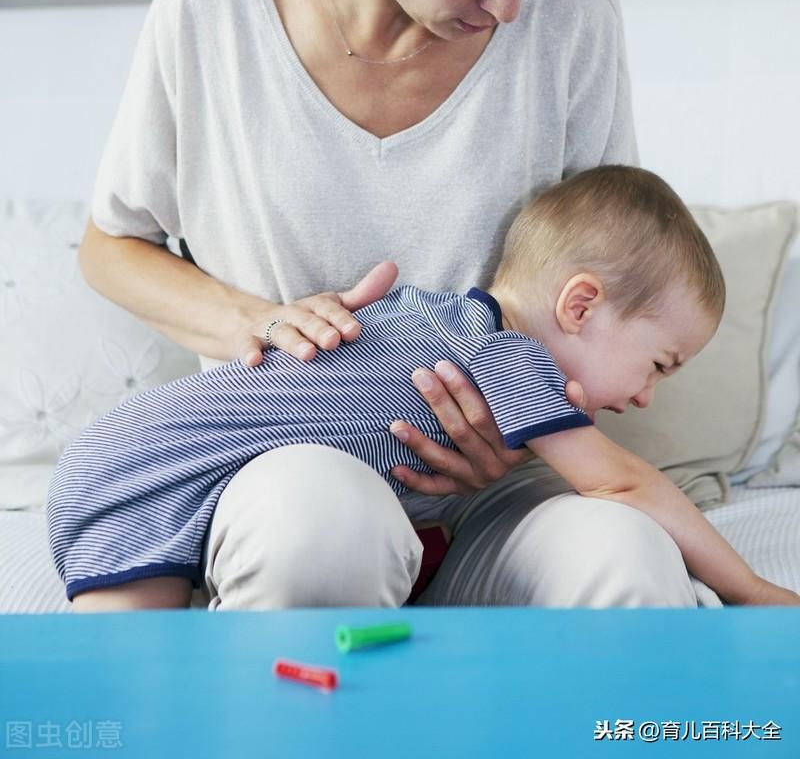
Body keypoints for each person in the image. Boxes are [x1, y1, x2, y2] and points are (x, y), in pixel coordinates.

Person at [76, 0, 702, 613]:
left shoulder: (573, 23)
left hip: (503, 491)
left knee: (627, 566)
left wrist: (515, 422)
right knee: (320, 532)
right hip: (291, 470)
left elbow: (611, 285)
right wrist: (253, 319)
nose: (507, 5)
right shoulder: (212, 6)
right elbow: (113, 246)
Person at [49, 165, 800, 610]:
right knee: (127, 695)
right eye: (660, 363)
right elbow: (627, 486)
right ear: (580, 304)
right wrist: (751, 592)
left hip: (119, 457)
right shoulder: (505, 357)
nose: (646, 398)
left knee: (140, 693)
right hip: (142, 473)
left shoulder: (431, 317)